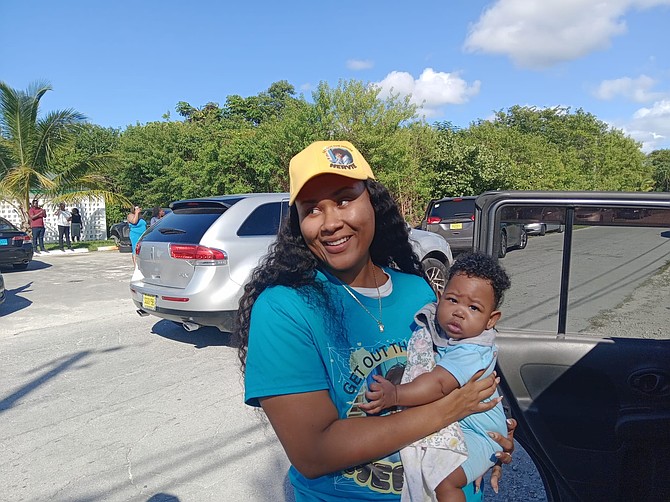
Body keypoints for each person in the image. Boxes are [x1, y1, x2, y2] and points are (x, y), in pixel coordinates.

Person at [235, 141, 514, 502]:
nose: (331, 222)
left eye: (344, 199)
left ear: (373, 203)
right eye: (312, 209)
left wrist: (487, 438)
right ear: (298, 224)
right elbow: (313, 453)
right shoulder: (284, 308)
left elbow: (468, 373)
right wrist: (451, 409)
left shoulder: (419, 294)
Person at [361, 253, 511, 501]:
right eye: (453, 300)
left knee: (445, 482)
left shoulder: (473, 350)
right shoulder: (438, 327)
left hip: (482, 434)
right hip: (463, 425)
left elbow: (439, 384)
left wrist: (396, 394)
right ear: (440, 298)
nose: (459, 312)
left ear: (491, 320)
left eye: (474, 308)